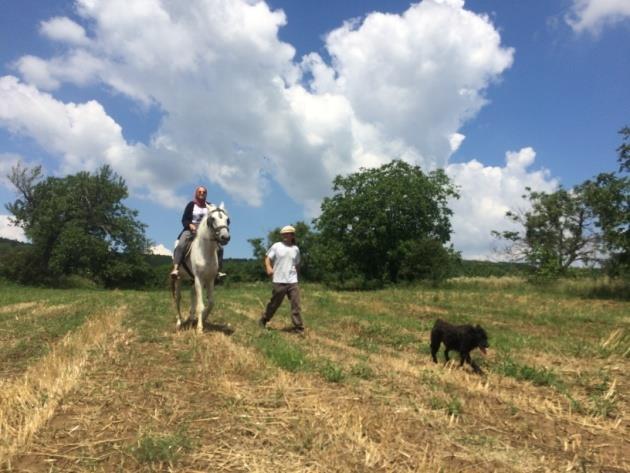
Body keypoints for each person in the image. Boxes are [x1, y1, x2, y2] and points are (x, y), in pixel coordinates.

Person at [170, 186, 225, 279]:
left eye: (204, 192)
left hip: (206, 233)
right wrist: (190, 225)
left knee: (220, 248)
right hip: (191, 230)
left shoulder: (211, 206)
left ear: (206, 194)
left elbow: (215, 219)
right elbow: (184, 220)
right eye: (199, 192)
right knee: (180, 245)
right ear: (196, 193)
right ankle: (176, 268)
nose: (202, 193)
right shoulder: (191, 205)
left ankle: (217, 270)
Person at [259, 225, 304, 333]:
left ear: (292, 235)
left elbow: (297, 264)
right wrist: (269, 268)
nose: (285, 235)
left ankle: (298, 327)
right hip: (279, 280)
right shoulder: (276, 246)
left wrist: (297, 277)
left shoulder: (295, 249)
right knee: (275, 303)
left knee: (296, 304)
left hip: (292, 281)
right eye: (283, 234)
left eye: (288, 233)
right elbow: (267, 258)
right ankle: (264, 319)